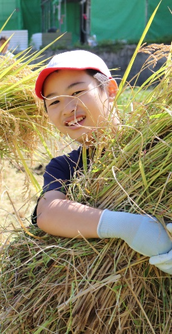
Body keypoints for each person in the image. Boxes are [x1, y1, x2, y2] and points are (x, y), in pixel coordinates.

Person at [33, 49, 172, 274]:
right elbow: (47, 212)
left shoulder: (157, 142)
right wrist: (129, 227)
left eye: (77, 92)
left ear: (109, 89)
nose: (67, 109)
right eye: (54, 102)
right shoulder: (65, 167)